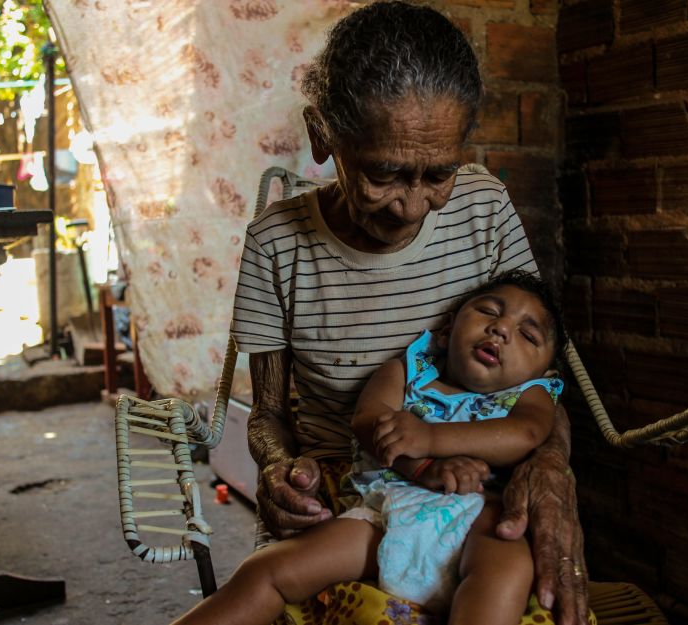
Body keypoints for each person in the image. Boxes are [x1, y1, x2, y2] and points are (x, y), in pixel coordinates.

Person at [230, 2, 588, 623]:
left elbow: (537, 378)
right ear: (323, 135)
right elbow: (266, 414)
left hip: (471, 499)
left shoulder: (483, 206)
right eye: (386, 173)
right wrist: (277, 470)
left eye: (438, 173)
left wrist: (553, 467)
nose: (412, 206)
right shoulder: (276, 242)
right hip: (348, 504)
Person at [173, 271, 569, 625]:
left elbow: (526, 434)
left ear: (543, 370)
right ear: (448, 330)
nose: (500, 329)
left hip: (480, 517)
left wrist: (431, 438)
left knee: (503, 573)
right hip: (385, 511)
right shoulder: (409, 370)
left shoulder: (530, 394)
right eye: (488, 311)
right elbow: (366, 420)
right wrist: (422, 464)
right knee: (268, 571)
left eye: (527, 335)